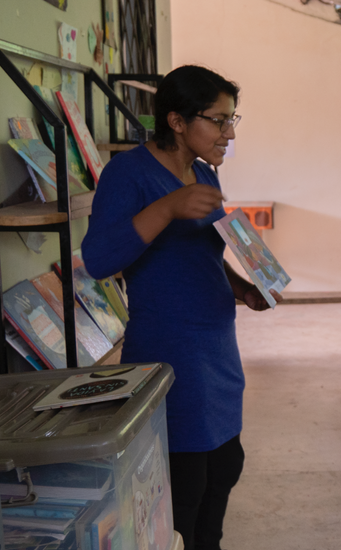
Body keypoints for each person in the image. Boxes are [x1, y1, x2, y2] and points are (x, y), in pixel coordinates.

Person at [81, 65, 277, 550]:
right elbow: (99, 259)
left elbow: (202, 249)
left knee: (225, 466)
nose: (229, 133)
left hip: (217, 347)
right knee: (184, 482)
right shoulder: (128, 174)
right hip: (169, 350)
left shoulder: (203, 172)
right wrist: (168, 207)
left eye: (233, 119)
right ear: (176, 120)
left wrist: (241, 287)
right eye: (219, 120)